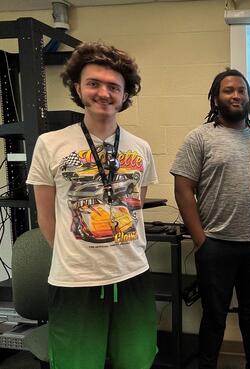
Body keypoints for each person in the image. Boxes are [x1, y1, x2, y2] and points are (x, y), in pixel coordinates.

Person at [26, 42, 158, 369]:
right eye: (94, 83)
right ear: (78, 88)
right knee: (76, 364)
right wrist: (79, 254)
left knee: (137, 360)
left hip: (131, 273)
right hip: (75, 280)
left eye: (114, 86)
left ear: (125, 95)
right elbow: (45, 216)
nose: (104, 93)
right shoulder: (51, 144)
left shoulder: (140, 148)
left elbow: (135, 204)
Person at [171, 69, 250, 369]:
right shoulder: (200, 138)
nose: (236, 95)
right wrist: (200, 240)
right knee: (214, 315)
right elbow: (183, 189)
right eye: (228, 90)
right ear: (215, 98)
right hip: (216, 245)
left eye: (241, 91)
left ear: (248, 98)